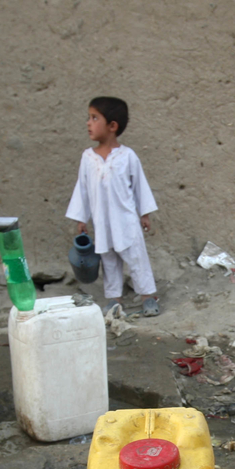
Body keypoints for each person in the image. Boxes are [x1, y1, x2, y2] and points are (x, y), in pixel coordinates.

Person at [65, 97, 160, 317]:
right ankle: (114, 300)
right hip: (102, 222)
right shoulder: (88, 158)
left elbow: (140, 186)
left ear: (112, 126)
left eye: (94, 118)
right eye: (88, 118)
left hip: (126, 221)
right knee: (109, 262)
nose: (88, 123)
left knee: (137, 259)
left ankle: (147, 297)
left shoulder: (127, 157)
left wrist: (144, 213)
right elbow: (83, 189)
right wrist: (81, 218)